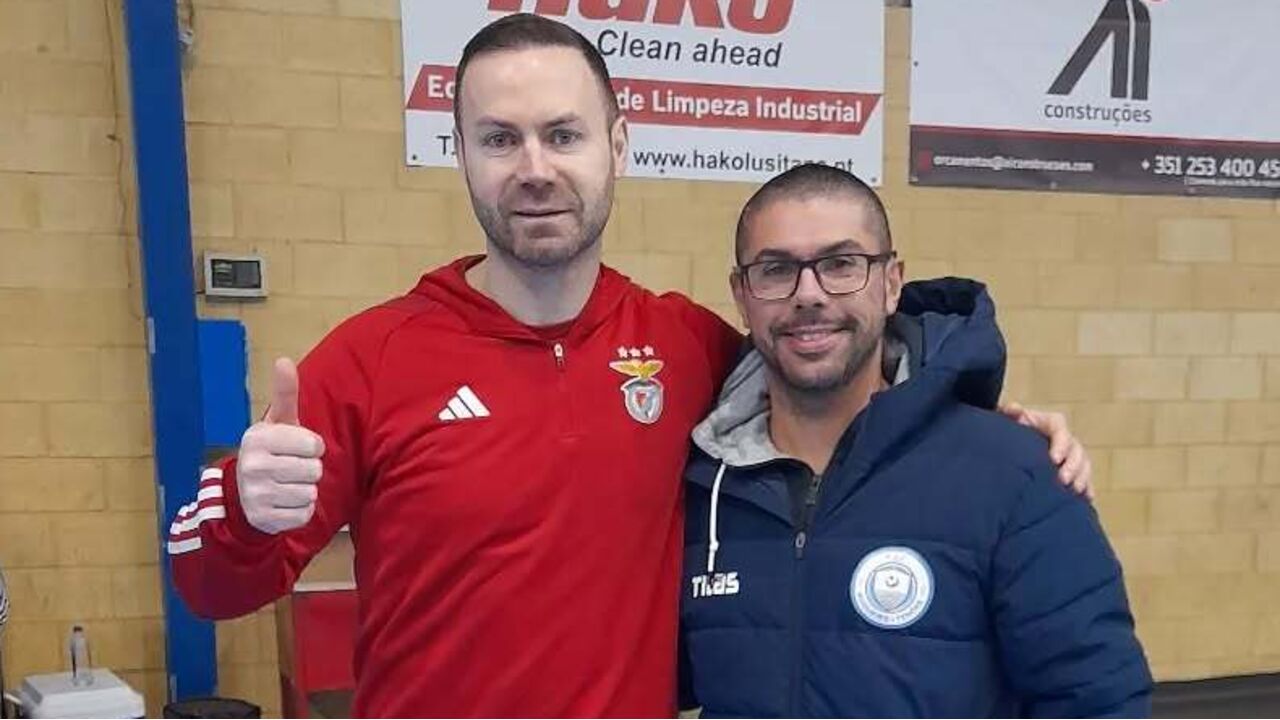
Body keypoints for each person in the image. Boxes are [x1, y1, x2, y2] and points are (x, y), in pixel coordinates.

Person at [167, 14, 1094, 718]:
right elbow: (214, 588)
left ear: (616, 144)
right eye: (500, 139)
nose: (534, 168)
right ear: (463, 156)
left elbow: (834, 377)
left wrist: (981, 423)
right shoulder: (370, 359)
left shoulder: (688, 346)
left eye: (564, 134)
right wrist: (242, 507)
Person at [679, 163, 1151, 717]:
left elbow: (1096, 701)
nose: (808, 294)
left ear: (891, 283)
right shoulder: (701, 488)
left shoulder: (1014, 474)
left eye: (841, 264)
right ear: (742, 295)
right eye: (775, 269)